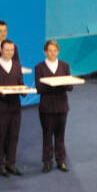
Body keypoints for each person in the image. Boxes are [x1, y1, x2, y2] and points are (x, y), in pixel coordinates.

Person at [0, 39, 25, 177]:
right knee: (0, 136)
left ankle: (11, 163)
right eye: (7, 50)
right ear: (1, 50)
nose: (10, 52)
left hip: (15, 107)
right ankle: (0, 165)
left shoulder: (17, 66)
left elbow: (21, 84)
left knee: (13, 136)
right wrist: (3, 91)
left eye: (12, 50)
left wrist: (24, 91)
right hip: (0, 107)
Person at [34, 40, 73, 173]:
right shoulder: (39, 67)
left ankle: (61, 161)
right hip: (47, 108)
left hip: (62, 106)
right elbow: (39, 88)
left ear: (58, 52)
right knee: (47, 135)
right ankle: (47, 161)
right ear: (45, 52)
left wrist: (57, 84)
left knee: (60, 136)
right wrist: (56, 85)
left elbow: (70, 86)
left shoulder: (65, 66)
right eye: (50, 51)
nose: (52, 53)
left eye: (55, 50)